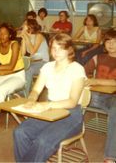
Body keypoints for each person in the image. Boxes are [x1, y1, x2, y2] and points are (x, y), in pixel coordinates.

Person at [13, 33, 86, 162]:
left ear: (69, 49)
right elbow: (36, 89)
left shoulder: (77, 69)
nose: (55, 52)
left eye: (60, 48)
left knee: (43, 141)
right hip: (49, 112)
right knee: (20, 132)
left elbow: (72, 102)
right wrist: (31, 100)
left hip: (71, 115)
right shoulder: (47, 67)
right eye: (53, 48)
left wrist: (46, 105)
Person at [84, 29, 116, 163]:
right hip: (94, 95)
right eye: (108, 41)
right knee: (72, 102)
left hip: (112, 98)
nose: (111, 44)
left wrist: (96, 81)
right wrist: (88, 78)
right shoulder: (98, 57)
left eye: (114, 41)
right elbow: (83, 72)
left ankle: (110, 156)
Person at [20, 19, 49, 94]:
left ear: (30, 26)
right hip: (33, 62)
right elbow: (22, 54)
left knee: (28, 69)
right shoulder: (26, 37)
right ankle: (22, 89)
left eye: (25, 24)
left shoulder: (39, 36)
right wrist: (24, 39)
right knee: (20, 68)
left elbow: (32, 52)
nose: (23, 26)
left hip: (43, 62)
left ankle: (25, 94)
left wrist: (26, 37)